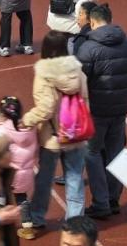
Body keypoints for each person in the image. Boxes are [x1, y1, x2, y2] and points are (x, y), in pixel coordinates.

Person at [76, 3, 127, 219]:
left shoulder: (88, 48)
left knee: (92, 152)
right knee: (116, 151)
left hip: (96, 109)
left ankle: (101, 202)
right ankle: (114, 198)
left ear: (92, 21)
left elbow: (80, 78)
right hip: (120, 106)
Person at [23, 30, 90, 227]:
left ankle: (37, 217)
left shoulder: (44, 73)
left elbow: (46, 107)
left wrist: (27, 120)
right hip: (75, 134)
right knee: (75, 178)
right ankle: (75, 221)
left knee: (44, 179)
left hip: (52, 137)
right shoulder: (77, 70)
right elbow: (85, 99)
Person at [0, 96, 39, 240]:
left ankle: (2, 223)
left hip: (8, 173)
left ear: (2, 114)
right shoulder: (30, 129)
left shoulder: (1, 130)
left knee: (1, 197)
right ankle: (28, 227)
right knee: (22, 199)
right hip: (26, 173)